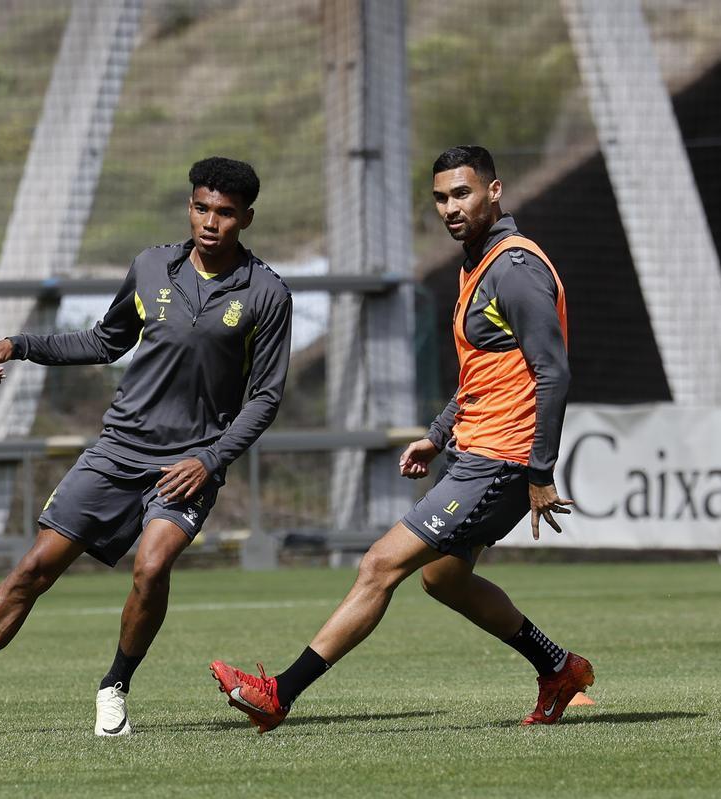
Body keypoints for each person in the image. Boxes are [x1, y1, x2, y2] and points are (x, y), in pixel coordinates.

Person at [0, 156, 293, 740]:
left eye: (225, 212)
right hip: (117, 449)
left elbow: (265, 398)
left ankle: (115, 686)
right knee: (31, 570)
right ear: (189, 206)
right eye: (201, 208)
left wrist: (210, 459)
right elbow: (104, 340)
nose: (210, 222)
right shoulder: (151, 267)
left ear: (245, 217)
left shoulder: (267, 293)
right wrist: (21, 344)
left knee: (151, 566)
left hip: (187, 463)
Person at [210, 145, 592, 733]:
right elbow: (484, 371)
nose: (449, 207)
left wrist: (540, 473)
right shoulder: (480, 262)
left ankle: (278, 693)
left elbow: (553, 372)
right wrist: (438, 436)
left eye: (461, 193)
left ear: (494, 191)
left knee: (379, 565)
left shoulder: (515, 269)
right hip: (476, 451)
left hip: (503, 460)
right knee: (442, 578)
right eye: (440, 197)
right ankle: (558, 668)